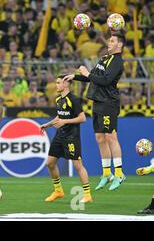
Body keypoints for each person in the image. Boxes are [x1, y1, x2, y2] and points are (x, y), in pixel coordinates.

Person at [64, 34, 126, 191]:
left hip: (108, 103)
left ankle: (119, 173)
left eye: (112, 41)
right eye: (109, 40)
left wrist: (87, 74)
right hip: (98, 102)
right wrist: (76, 76)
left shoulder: (117, 61)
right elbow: (93, 77)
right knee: (100, 138)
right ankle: (106, 173)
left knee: (111, 136)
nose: (108, 42)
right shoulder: (105, 58)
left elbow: (105, 81)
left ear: (120, 45)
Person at [40, 75, 92, 203]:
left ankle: (87, 194)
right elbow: (59, 117)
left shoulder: (73, 99)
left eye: (58, 83)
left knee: (78, 165)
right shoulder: (59, 99)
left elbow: (82, 118)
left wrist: (65, 121)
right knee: (50, 163)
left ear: (66, 84)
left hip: (71, 137)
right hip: (60, 135)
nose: (56, 85)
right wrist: (47, 125)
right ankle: (58, 191)